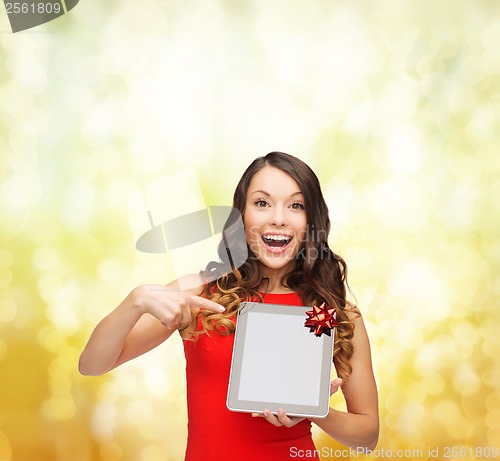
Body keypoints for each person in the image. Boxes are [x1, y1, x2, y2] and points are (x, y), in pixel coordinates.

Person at [79, 152, 379, 460]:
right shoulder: (198, 294)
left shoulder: (333, 314)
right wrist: (136, 300)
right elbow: (92, 365)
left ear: (311, 221)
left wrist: (314, 410)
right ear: (241, 216)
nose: (278, 217)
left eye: (296, 205)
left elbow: (367, 437)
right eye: (262, 203)